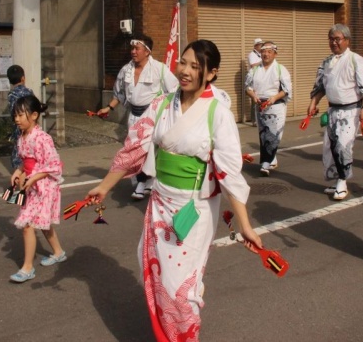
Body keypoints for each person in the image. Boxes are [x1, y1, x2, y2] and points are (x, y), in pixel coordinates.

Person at [87, 40, 263, 341]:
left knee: (178, 289)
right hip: (159, 203)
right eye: (183, 62)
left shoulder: (217, 112)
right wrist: (104, 186)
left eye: (195, 66)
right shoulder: (162, 103)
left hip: (193, 210)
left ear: (211, 73)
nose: (185, 71)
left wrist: (245, 225)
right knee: (154, 271)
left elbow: (229, 174)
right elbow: (135, 148)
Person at [97, 35, 179, 199]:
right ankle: (146, 181)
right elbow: (119, 94)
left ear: (147, 51)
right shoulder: (125, 70)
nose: (133, 52)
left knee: (147, 150)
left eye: (137, 49)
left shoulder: (159, 69)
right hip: (133, 116)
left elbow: (174, 92)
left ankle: (143, 182)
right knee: (134, 149)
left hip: (152, 117)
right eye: (132, 48)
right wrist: (109, 107)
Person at [308, 24, 363, 200]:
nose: (334, 42)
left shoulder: (356, 60)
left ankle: (343, 181)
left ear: (347, 40)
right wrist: (313, 102)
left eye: (337, 39)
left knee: (343, 146)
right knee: (330, 147)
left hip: (351, 110)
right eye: (331, 39)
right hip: (332, 110)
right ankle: (337, 179)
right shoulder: (326, 62)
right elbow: (320, 86)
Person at [8, 95, 65, 283]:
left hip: (44, 187)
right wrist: (18, 172)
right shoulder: (23, 137)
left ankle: (27, 268)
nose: (17, 119)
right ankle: (58, 252)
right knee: (42, 223)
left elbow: (54, 166)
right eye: (15, 115)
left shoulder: (43, 138)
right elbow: (26, 162)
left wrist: (33, 178)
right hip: (32, 186)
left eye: (20, 115)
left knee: (28, 226)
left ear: (33, 115)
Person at [244, 41, 292, 176]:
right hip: (260, 106)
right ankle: (272, 158)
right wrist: (253, 96)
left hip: (276, 107)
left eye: (269, 52)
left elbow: (286, 90)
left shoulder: (280, 69)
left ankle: (265, 163)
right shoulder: (254, 70)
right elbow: (247, 87)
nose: (266, 54)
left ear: (275, 54)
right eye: (263, 51)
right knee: (263, 135)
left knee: (273, 135)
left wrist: (274, 98)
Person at [6, 65, 34, 170]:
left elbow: (12, 112)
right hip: (31, 125)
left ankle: (19, 175)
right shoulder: (29, 92)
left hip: (18, 127)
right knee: (30, 150)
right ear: (23, 78)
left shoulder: (11, 95)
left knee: (18, 152)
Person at [247, 38, 263, 126]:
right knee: (254, 98)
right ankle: (254, 120)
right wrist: (262, 61)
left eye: (262, 44)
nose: (261, 46)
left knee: (261, 97)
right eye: (260, 45)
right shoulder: (252, 55)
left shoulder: (261, 55)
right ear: (256, 46)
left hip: (261, 78)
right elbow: (253, 65)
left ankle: (260, 118)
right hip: (253, 79)